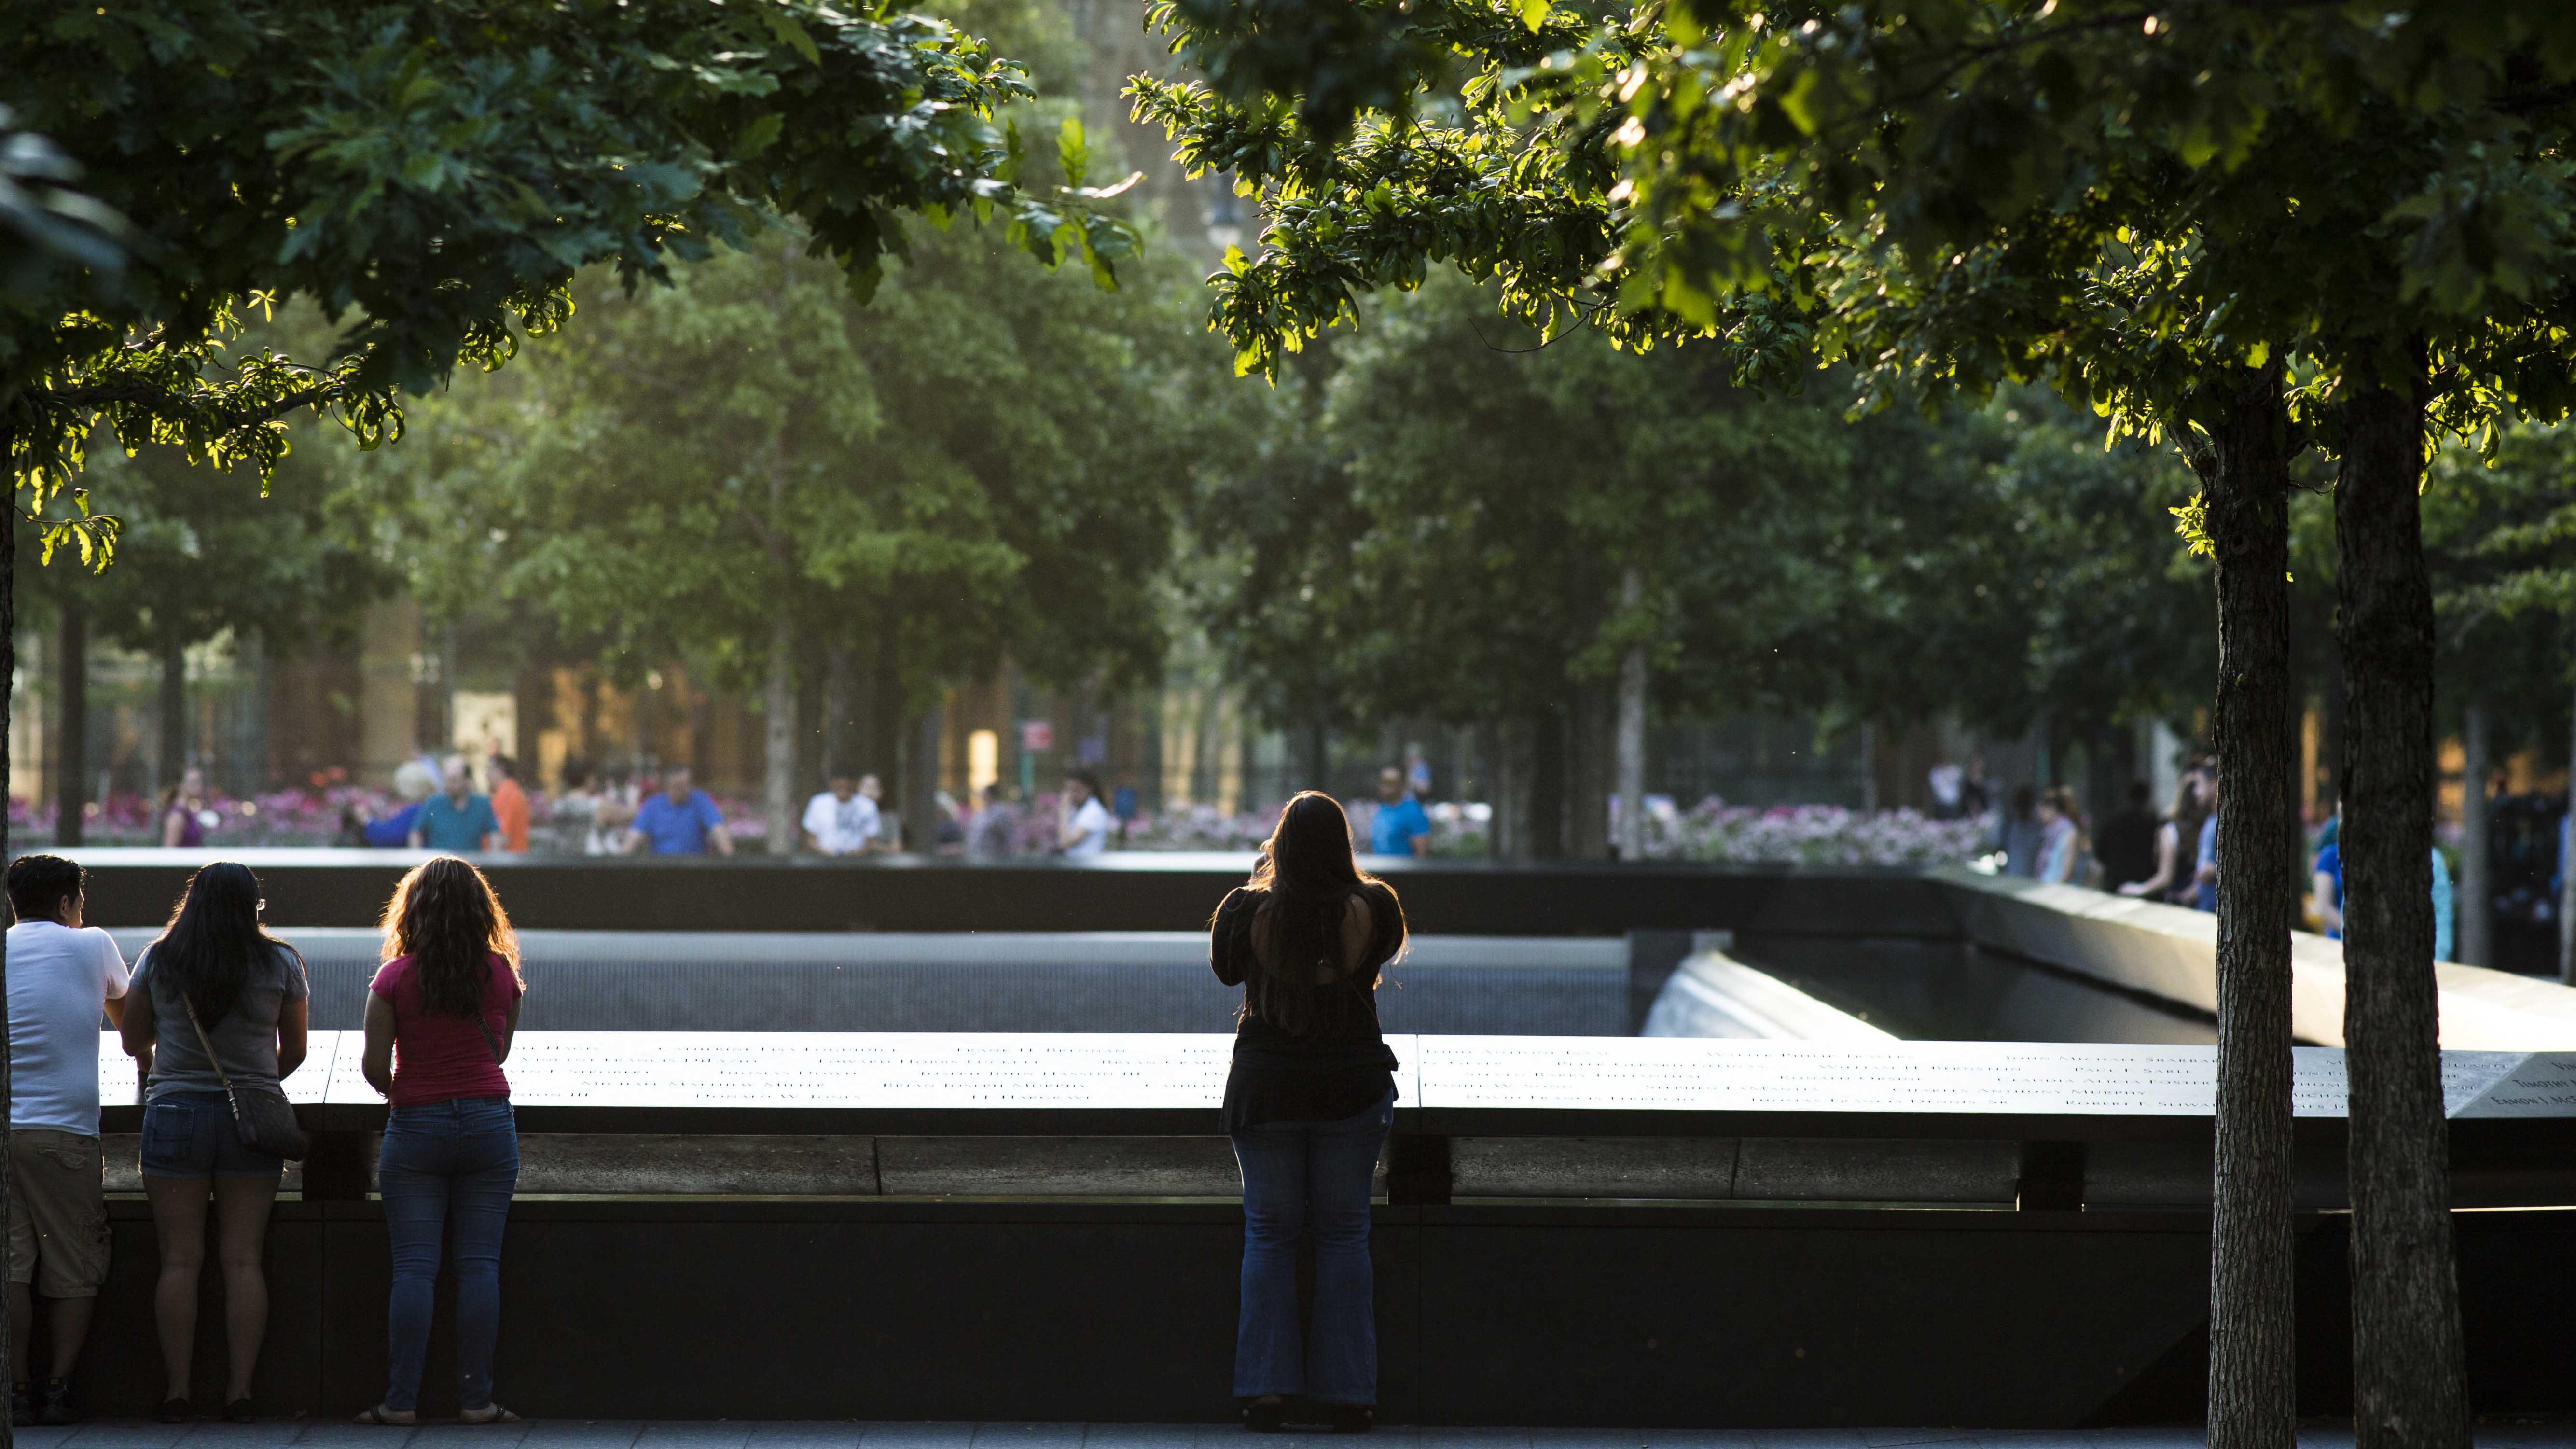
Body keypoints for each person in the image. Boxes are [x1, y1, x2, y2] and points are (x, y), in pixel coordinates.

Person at [1207, 793, 1406, 1433]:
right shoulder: (1375, 908)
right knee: (1343, 1233)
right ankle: (1349, 1392)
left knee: (1269, 1231)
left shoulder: (1245, 911)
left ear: (1281, 844)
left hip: (1266, 1090)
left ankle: (1266, 1390)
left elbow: (1223, 970)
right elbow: (1375, 957)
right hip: (1350, 1089)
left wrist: (1262, 880)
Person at [119, 863, 311, 1424]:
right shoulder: (280, 961)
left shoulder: (160, 957)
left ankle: (177, 1392)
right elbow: (295, 1051)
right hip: (250, 1122)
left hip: (174, 1113)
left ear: (193, 901)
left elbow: (133, 1037)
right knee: (242, 1258)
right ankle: (241, 1393)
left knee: (179, 1259)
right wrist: (252, 1083)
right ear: (255, 904)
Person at [353, 857, 526, 1426]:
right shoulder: (500, 974)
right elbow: (496, 1053)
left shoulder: (395, 978)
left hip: (418, 1126)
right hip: (487, 1124)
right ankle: (477, 1399)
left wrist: (412, 1083)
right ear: (482, 911)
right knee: (480, 1265)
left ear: (414, 909)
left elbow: (376, 1068)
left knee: (415, 1268)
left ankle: (401, 1401)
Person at [5, 855, 130, 1425]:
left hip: (7, 1128)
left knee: (12, 1267)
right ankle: (56, 1389)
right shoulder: (93, 945)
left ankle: (15, 1389)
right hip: (65, 1133)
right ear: (65, 904)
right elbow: (134, 1028)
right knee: (75, 1264)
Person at [2118, 774, 2206, 904]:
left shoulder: (2172, 831)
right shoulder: (2210, 826)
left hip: (2178, 902)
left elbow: (2166, 877)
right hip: (2203, 902)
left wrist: (2139, 889)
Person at [625, 767, 732, 856]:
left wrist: (730, 862)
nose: (686, 790)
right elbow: (633, 838)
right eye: (680, 787)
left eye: (688, 785)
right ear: (668, 788)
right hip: (661, 868)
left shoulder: (700, 801)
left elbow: (719, 831)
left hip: (694, 868)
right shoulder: (653, 805)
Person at [410, 758, 498, 853]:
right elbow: (416, 833)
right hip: (440, 865)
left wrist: (494, 860)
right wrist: (417, 857)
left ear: (467, 780)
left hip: (470, 865)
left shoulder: (481, 804)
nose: (449, 785)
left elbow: (495, 835)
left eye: (454, 780)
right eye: (446, 780)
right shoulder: (434, 803)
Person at [2095, 781, 2160, 892]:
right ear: (2147, 797)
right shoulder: (2151, 824)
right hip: (2145, 884)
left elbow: (2100, 854)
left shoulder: (2113, 822)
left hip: (2115, 884)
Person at [800, 769, 880, 856]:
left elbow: (871, 841)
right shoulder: (818, 803)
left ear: (853, 784)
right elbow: (810, 839)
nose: (843, 790)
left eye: (846, 787)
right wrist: (825, 851)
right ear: (832, 784)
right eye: (839, 787)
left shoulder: (867, 806)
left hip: (858, 863)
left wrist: (857, 853)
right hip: (824, 862)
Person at [1368, 766, 1432, 858]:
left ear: (1402, 785)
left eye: (1390, 783)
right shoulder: (1382, 810)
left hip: (1402, 871)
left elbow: (1422, 853)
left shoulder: (1413, 811)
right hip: (1380, 870)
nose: (1384, 787)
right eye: (1382, 782)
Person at [2033, 787, 2083, 885]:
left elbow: (2067, 873)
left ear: (2053, 808)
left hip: (2058, 894)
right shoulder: (2050, 833)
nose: (2040, 815)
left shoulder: (2070, 832)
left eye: (2042, 810)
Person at [1996, 785, 2044, 878]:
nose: (2022, 807)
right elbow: (1999, 853)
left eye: (2025, 803)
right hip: (2010, 879)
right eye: (2020, 803)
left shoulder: (2039, 829)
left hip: (2032, 881)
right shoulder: (2007, 827)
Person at [1059, 771, 1111, 857]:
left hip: (1087, 867)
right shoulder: (1080, 809)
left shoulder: (1094, 811)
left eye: (1076, 789)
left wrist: (1064, 810)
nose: (1071, 794)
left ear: (1088, 789)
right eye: (1068, 790)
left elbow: (1066, 842)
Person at [486, 757, 531, 854]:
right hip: (516, 856)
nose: (487, 775)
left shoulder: (506, 793)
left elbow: (501, 837)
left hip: (509, 859)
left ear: (501, 770)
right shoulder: (514, 790)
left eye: (489, 770)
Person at [2194, 769, 2223, 912]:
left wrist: (2212, 870)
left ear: (2214, 785)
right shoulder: (2210, 821)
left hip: (2216, 910)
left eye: (2199, 785)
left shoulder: (2223, 823)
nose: (2196, 792)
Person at [160, 768, 209, 849]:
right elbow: (169, 852)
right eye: (194, 783)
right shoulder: (177, 816)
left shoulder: (188, 811)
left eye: (200, 782)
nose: (199, 786)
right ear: (180, 785)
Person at [968, 785, 1020, 857]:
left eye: (985, 793)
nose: (982, 796)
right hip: (981, 856)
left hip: (997, 857)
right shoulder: (983, 812)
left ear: (991, 795)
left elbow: (1007, 835)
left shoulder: (1001, 812)